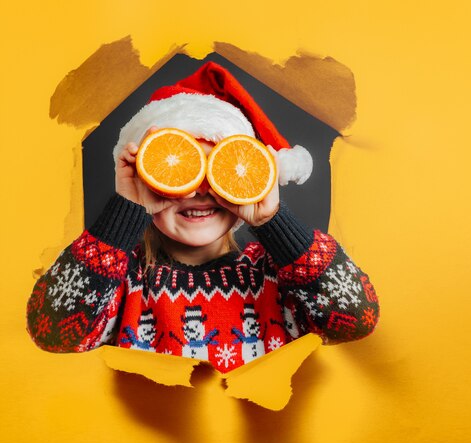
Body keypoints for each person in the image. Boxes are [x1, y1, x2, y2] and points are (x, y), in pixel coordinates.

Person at [26, 61, 379, 373]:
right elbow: (53, 332)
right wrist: (127, 208)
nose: (198, 191)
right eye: (180, 171)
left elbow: (355, 319)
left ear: (244, 178)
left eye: (216, 170)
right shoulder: (120, 283)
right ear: (146, 174)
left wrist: (271, 219)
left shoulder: (275, 277)